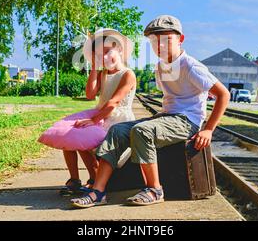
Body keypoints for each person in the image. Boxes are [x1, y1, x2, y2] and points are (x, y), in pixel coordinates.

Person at [70, 15, 230, 208]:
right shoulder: (161, 66)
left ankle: (155, 189)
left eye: (166, 40)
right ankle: (99, 190)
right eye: (154, 41)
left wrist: (208, 129)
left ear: (180, 39)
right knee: (117, 130)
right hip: (168, 117)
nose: (160, 46)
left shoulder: (191, 66)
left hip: (188, 121)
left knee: (142, 131)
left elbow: (223, 95)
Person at [38, 28, 136, 195]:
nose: (104, 57)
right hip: (100, 115)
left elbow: (114, 102)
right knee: (69, 133)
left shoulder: (127, 74)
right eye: (99, 54)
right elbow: (90, 95)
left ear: (119, 49)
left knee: (82, 135)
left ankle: (94, 177)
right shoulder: (103, 72)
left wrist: (94, 120)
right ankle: (75, 179)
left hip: (117, 121)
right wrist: (94, 69)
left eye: (107, 51)